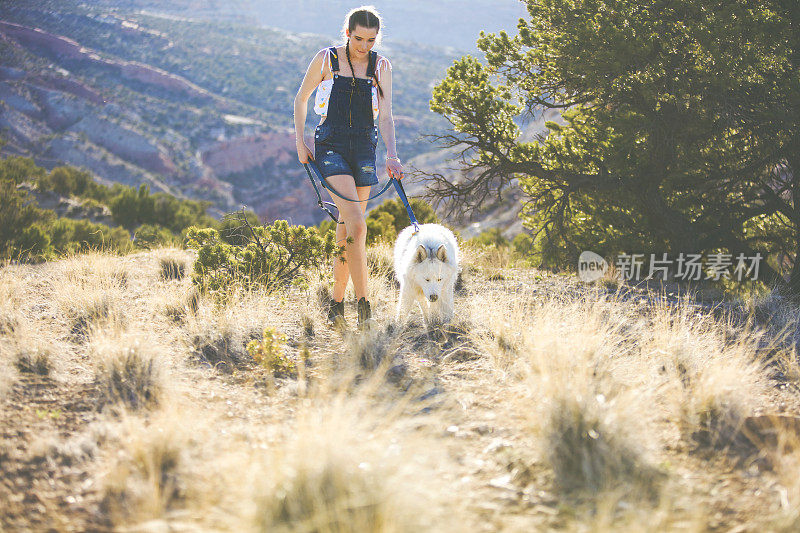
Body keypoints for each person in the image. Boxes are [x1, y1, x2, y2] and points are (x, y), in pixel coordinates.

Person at [294, 6, 403, 328]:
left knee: (346, 230)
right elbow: (301, 99)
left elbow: (385, 116)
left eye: (370, 40)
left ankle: (336, 302)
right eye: (358, 38)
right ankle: (364, 305)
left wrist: (392, 155)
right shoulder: (326, 59)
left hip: (365, 148)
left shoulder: (381, 66)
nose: (363, 46)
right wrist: (301, 140)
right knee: (357, 225)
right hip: (330, 145)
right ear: (347, 33)